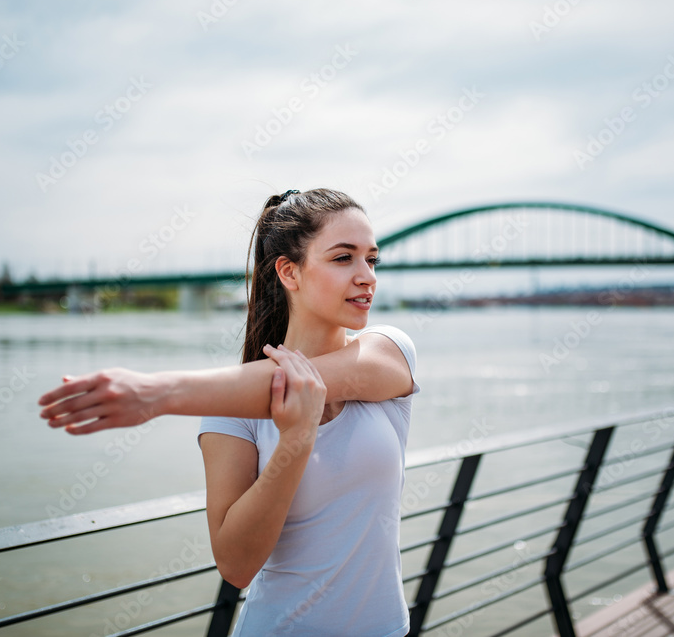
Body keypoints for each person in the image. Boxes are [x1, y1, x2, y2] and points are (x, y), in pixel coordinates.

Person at [38, 188, 420, 636]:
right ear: (289, 272)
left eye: (371, 260)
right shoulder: (229, 409)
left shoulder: (390, 352)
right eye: (343, 258)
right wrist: (293, 444)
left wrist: (156, 392)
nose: (367, 276)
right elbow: (236, 565)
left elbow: (303, 381)